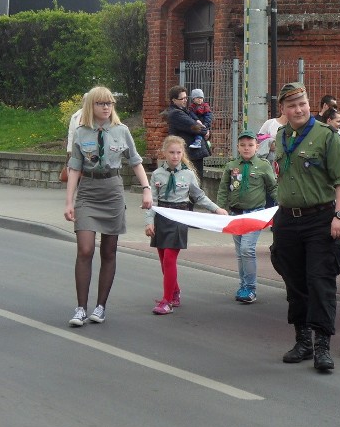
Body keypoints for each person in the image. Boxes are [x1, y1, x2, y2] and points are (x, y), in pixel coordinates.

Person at [271, 82, 340, 372]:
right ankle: (302, 340)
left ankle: (322, 346)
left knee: (320, 282)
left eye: (302, 103)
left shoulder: (327, 136)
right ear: (283, 110)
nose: (298, 109)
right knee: (295, 282)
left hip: (320, 218)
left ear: (310, 105)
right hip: (288, 220)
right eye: (291, 105)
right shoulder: (281, 137)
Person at [64, 87, 153, 327]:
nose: (106, 107)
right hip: (88, 192)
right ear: (91, 106)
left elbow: (135, 162)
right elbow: (74, 168)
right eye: (101, 104)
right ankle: (81, 308)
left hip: (112, 190)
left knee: (108, 251)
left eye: (110, 104)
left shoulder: (122, 131)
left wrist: (146, 189)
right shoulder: (81, 133)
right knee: (85, 249)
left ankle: (100, 306)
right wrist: (69, 201)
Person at [145, 136, 228, 315]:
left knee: (169, 259)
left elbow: (199, 196)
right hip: (162, 217)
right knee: (163, 261)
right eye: (171, 152)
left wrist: (216, 209)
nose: (175, 156)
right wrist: (149, 221)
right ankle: (175, 292)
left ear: (183, 154)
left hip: (179, 217)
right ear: (164, 153)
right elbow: (153, 200)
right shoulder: (157, 174)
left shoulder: (188, 174)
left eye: (178, 152)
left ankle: (167, 301)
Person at [216, 131, 277, 303]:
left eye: (250, 145)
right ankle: (243, 285)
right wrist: (220, 208)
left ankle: (250, 288)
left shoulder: (263, 165)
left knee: (247, 250)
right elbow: (223, 189)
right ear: (238, 147)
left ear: (257, 146)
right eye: (243, 145)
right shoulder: (231, 165)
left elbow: (273, 188)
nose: (246, 148)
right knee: (239, 252)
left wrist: (282, 203)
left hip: (255, 214)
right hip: (236, 214)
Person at [165, 85, 210, 177]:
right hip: (188, 153)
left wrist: (206, 130)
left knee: (196, 183)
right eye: (182, 98)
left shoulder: (185, 110)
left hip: (193, 153)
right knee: (192, 182)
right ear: (174, 100)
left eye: (186, 97)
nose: (185, 100)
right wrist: (206, 131)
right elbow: (193, 126)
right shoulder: (176, 113)